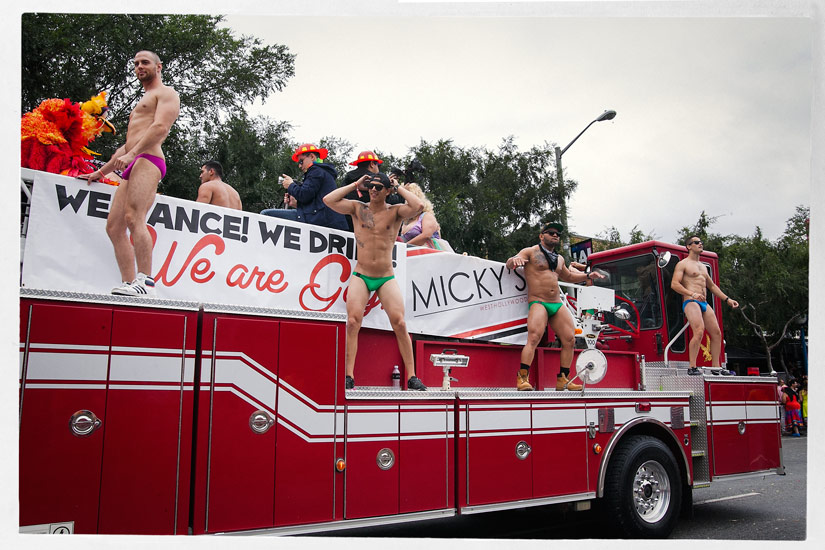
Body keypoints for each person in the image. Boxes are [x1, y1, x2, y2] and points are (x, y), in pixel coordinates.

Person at [79, 50, 180, 296]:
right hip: (133, 159)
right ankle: (129, 283)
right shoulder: (141, 101)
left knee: (135, 217)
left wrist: (132, 155)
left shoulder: (167, 94)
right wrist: (101, 172)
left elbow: (160, 128)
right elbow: (126, 144)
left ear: (159, 67)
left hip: (148, 159)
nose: (139, 67)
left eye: (144, 62)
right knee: (114, 226)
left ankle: (146, 282)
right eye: (135, 64)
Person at [323, 172, 427, 391]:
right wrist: (355, 184)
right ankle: (349, 375)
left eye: (379, 187)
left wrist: (398, 186)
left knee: (399, 323)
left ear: (387, 191)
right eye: (371, 186)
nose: (373, 190)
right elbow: (328, 200)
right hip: (361, 274)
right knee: (352, 322)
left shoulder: (395, 212)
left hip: (385, 277)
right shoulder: (358, 208)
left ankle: (412, 376)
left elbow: (418, 205)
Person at [505, 222, 606, 391]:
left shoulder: (559, 259)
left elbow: (568, 277)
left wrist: (588, 275)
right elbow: (510, 263)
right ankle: (522, 378)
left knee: (570, 339)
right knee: (534, 337)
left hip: (556, 303)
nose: (555, 236)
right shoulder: (530, 251)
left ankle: (563, 380)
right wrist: (513, 260)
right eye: (551, 232)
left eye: (557, 234)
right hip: (538, 301)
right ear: (541, 236)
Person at [671, 236, 740, 375]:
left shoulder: (703, 267)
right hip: (691, 301)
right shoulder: (683, 264)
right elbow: (674, 284)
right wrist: (692, 294)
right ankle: (692, 367)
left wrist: (727, 299)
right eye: (696, 242)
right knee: (699, 330)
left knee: (717, 333)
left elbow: (712, 286)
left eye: (701, 242)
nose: (700, 244)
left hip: (704, 302)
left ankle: (716, 367)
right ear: (689, 246)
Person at [261, 143, 348, 231]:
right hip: (322, 220)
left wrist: (291, 185)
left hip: (318, 221)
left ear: (312, 157)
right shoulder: (322, 172)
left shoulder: (316, 171)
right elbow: (314, 201)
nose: (299, 165)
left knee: (266, 214)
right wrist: (297, 204)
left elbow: (304, 195)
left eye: (301, 161)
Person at [342, 150, 403, 230]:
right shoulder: (375, 180)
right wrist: (395, 189)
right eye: (378, 165)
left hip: (345, 226)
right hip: (367, 229)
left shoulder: (348, 179)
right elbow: (392, 202)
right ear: (372, 164)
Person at [399, 183, 442, 248]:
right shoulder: (404, 221)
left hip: (428, 254)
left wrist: (403, 247)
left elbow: (426, 235)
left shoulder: (426, 216)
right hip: (408, 255)